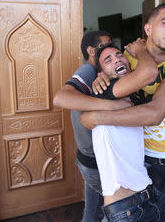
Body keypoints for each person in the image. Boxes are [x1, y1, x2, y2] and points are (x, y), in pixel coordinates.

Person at [82, 2, 165, 221]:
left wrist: (96, 117)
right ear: (148, 29)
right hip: (146, 159)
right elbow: (114, 72)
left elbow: (156, 113)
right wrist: (104, 76)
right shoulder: (129, 60)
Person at [92, 43, 165, 222]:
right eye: (109, 60)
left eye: (119, 55)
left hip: (149, 194)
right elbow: (149, 72)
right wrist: (140, 51)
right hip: (128, 210)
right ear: (101, 75)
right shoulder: (105, 90)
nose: (117, 59)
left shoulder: (128, 99)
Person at [53, 30, 132, 222]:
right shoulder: (88, 70)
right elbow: (60, 97)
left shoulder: (102, 74)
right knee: (109, 210)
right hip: (94, 160)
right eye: (103, 47)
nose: (109, 51)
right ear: (91, 50)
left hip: (89, 157)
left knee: (93, 208)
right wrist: (115, 106)